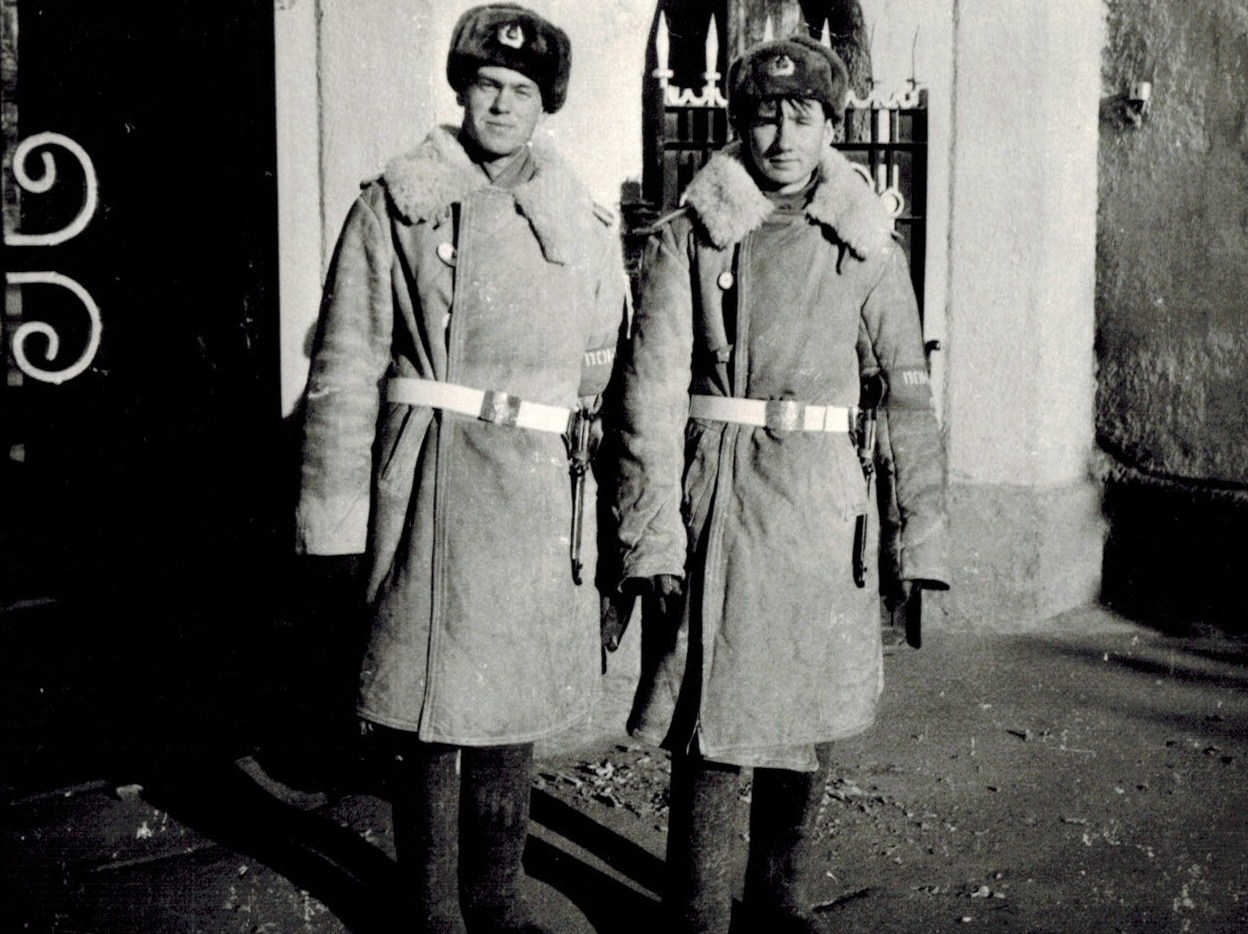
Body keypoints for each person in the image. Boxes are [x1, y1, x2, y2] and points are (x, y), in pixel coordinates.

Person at [295, 5, 628, 931]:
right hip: (429, 482)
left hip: (533, 487)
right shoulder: (395, 203)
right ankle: (432, 908)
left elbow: (601, 359)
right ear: (461, 90)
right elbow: (346, 367)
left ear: (545, 105)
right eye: (487, 85)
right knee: (429, 713)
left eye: (522, 90)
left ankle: (497, 899)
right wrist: (335, 520)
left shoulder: (581, 219)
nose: (502, 105)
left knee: (510, 709)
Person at [612, 36, 950, 933]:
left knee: (810, 709)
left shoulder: (866, 243)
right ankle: (692, 912)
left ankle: (777, 900)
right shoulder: (691, 236)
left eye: (804, 118)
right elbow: (648, 396)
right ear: (740, 123)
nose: (784, 137)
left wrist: (921, 538)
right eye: (766, 117)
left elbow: (907, 394)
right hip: (722, 501)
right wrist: (651, 533)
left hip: (823, 507)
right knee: (711, 723)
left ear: (832, 126)